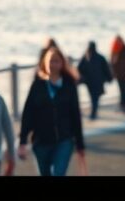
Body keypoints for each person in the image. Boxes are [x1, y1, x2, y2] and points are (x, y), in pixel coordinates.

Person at [19, 46, 86, 176]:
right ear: (44, 63)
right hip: (41, 141)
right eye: (50, 61)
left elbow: (75, 114)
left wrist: (80, 144)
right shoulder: (37, 85)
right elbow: (28, 113)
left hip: (64, 140)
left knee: (58, 173)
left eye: (56, 61)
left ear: (62, 63)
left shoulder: (69, 85)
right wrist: (23, 140)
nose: (53, 64)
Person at [77, 41, 112, 120]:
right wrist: (109, 78)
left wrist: (81, 79)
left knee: (93, 97)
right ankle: (94, 113)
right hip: (98, 82)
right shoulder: (100, 57)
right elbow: (106, 69)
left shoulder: (85, 57)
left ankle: (93, 113)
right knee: (95, 98)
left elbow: (79, 69)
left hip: (89, 83)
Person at [109, 35, 125, 114]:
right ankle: (123, 105)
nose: (119, 42)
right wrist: (112, 73)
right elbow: (112, 63)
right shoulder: (115, 50)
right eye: (117, 41)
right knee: (121, 89)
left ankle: (124, 106)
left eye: (119, 41)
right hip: (118, 74)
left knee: (124, 90)